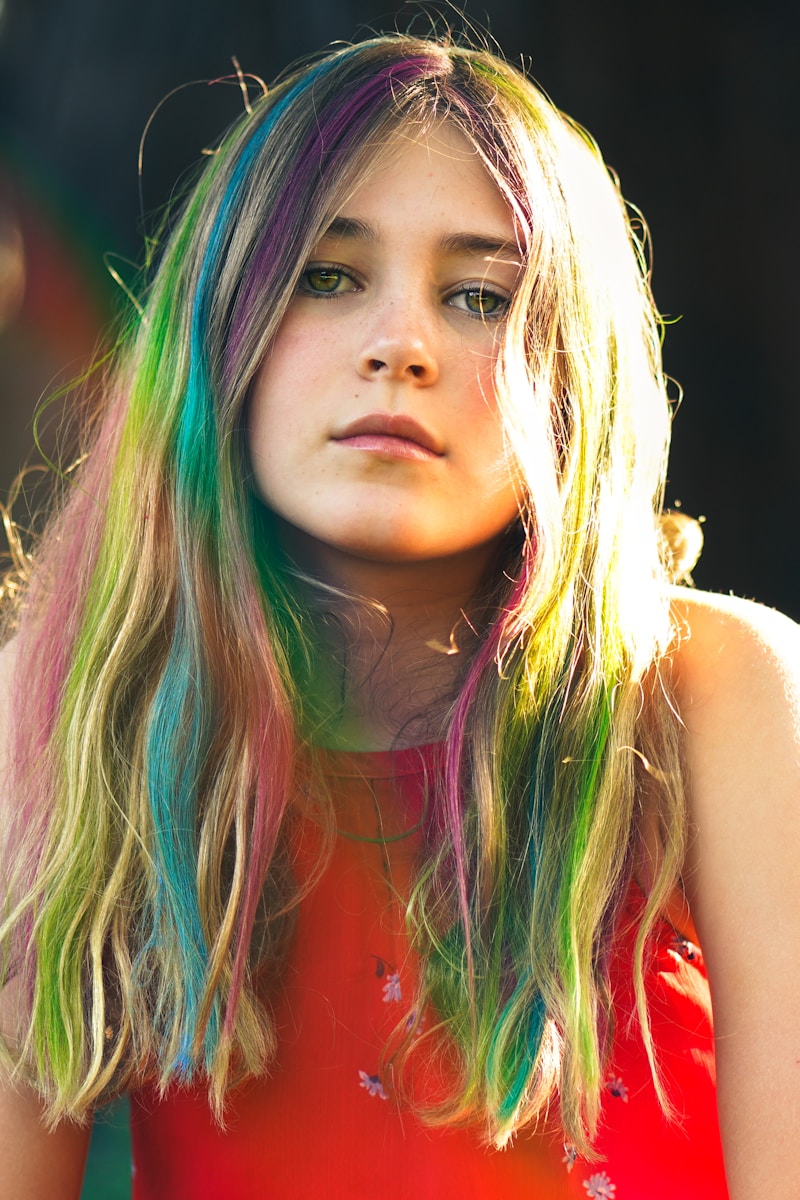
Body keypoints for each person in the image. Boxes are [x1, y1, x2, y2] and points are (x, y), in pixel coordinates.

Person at [1, 32, 798, 1200]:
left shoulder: (710, 697)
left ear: (575, 381)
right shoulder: (58, 710)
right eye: (327, 276)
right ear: (215, 333)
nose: (400, 346)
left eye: (478, 296)